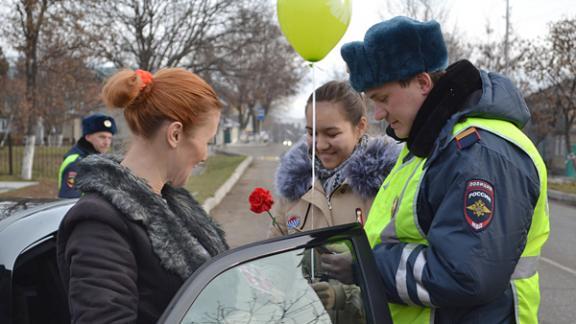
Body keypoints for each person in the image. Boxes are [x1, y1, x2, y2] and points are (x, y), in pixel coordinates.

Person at [326, 16, 550, 323]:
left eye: (382, 99)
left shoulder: (478, 153)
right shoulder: (429, 147)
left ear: (422, 82)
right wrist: (346, 252)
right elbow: (398, 237)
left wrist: (362, 267)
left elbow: (465, 274)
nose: (378, 114)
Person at [56, 68, 228, 323]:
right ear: (175, 134)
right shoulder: (98, 223)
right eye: (207, 140)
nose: (205, 154)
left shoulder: (170, 204)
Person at [269, 80, 400, 322]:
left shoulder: (388, 185)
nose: (319, 145)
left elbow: (397, 272)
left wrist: (342, 296)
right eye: (311, 133)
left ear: (360, 126)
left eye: (331, 133)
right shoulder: (293, 187)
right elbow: (274, 262)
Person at [57, 113, 117, 198]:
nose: (107, 142)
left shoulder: (98, 159)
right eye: (102, 137)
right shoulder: (77, 162)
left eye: (110, 138)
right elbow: (70, 200)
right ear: (88, 137)